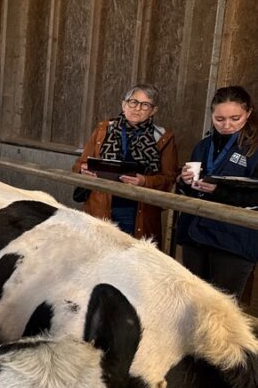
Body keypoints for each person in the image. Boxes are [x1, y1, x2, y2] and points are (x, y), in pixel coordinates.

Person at [176, 86, 258, 299]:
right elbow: (187, 189)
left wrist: (219, 192)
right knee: (193, 302)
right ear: (211, 115)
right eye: (219, 119)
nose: (227, 125)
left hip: (234, 240)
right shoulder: (203, 146)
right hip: (195, 235)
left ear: (248, 113)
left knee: (223, 309)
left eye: (235, 118)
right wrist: (184, 182)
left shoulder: (254, 148)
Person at [72, 83, 178, 242]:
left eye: (145, 105)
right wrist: (84, 170)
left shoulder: (163, 137)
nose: (137, 108)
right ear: (124, 104)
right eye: (133, 102)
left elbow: (169, 178)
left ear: (153, 110)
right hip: (100, 206)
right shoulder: (104, 129)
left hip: (136, 211)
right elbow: (79, 164)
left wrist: (144, 180)